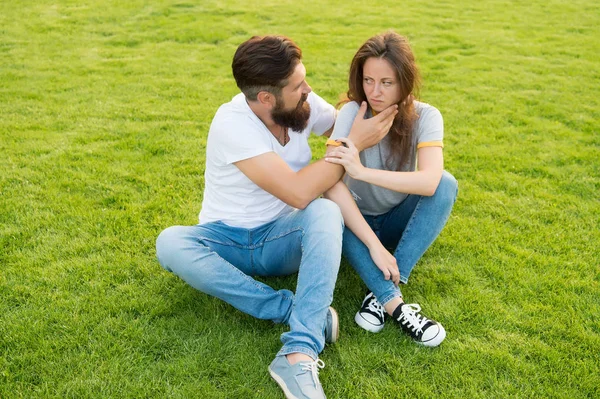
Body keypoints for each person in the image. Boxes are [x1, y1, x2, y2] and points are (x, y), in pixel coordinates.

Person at [155, 35, 397, 399]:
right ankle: (292, 309)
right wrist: (353, 146)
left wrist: (390, 104)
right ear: (266, 98)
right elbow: (298, 190)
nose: (309, 90)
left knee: (324, 211)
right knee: (170, 242)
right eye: (299, 86)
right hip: (228, 240)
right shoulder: (232, 124)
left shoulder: (300, 105)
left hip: (285, 238)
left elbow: (344, 128)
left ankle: (299, 350)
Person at [323, 31, 458, 347]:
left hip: (398, 220)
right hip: (354, 223)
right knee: (326, 210)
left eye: (387, 83)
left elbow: (429, 181)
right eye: (368, 80)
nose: (375, 91)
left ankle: (380, 290)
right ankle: (392, 302)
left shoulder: (426, 116)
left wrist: (362, 172)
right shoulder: (351, 114)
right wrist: (374, 245)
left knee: (446, 184)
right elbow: (330, 186)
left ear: (405, 82)